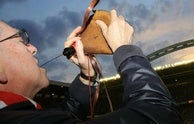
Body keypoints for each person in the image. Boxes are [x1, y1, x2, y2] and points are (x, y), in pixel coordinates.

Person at [0, 10, 182, 123]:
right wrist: (125, 50)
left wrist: (86, 76)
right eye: (21, 39)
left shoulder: (16, 114)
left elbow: (63, 116)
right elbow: (159, 115)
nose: (33, 48)